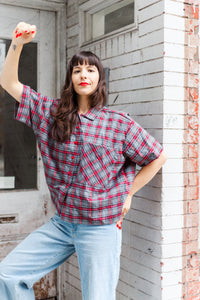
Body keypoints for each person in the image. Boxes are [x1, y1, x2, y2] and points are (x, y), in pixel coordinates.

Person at [0, 22, 167, 300]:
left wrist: (128, 192)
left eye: (90, 69)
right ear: (71, 79)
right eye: (77, 70)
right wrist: (17, 43)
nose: (83, 74)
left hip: (100, 226)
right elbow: (8, 83)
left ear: (99, 78)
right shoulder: (50, 112)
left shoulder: (118, 124)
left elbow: (157, 157)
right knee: (8, 274)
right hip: (63, 223)